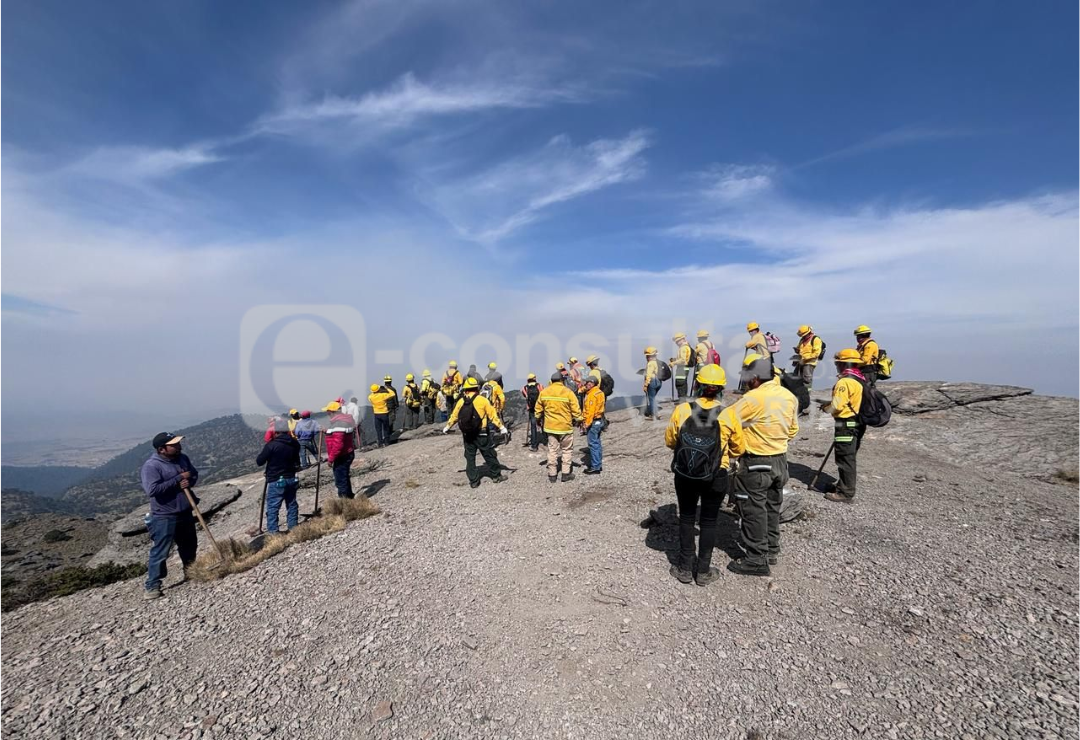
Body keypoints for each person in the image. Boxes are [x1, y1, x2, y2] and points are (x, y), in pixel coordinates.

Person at [665, 365, 745, 586]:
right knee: (709, 522)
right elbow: (739, 448)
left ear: (697, 384)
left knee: (687, 517)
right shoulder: (729, 414)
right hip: (716, 475)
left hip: (685, 474)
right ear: (721, 388)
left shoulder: (682, 410)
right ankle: (702, 571)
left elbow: (670, 441)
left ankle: (683, 568)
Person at [727, 354, 798, 576]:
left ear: (755, 377)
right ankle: (771, 550)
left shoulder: (752, 398)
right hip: (780, 461)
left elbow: (725, 421)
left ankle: (756, 559)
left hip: (756, 461)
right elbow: (793, 430)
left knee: (753, 510)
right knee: (771, 507)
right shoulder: (788, 396)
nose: (746, 381)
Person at [140, 432, 200, 600]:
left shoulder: (182, 458)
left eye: (178, 443)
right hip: (164, 515)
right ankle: (152, 585)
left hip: (185, 510)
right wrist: (178, 479)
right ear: (162, 449)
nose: (178, 447)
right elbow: (152, 490)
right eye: (173, 445)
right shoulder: (152, 466)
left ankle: (191, 572)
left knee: (189, 545)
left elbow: (193, 474)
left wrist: (190, 481)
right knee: (161, 551)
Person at [443, 377, 510, 488]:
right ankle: (496, 476)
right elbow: (492, 416)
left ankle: (474, 481)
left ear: (466, 390)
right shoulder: (483, 400)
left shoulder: (461, 401)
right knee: (489, 454)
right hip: (481, 433)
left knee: (470, 457)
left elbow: (454, 416)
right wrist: (502, 427)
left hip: (467, 434)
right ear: (476, 388)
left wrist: (447, 426)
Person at [820, 349, 867, 503]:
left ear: (843, 363)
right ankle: (842, 484)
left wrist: (826, 408)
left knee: (845, 457)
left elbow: (837, 406)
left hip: (845, 423)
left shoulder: (844, 381)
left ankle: (845, 493)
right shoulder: (860, 379)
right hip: (858, 422)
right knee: (849, 455)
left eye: (837, 363)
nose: (836, 365)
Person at [535, 371, 583, 482]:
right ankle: (565, 474)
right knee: (566, 450)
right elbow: (576, 410)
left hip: (550, 427)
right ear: (562, 380)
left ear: (552, 381)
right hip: (565, 427)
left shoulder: (544, 392)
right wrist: (579, 420)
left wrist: (538, 419)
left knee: (552, 450)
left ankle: (552, 475)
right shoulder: (568, 392)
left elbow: (538, 410)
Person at [256, 418, 301, 534]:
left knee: (273, 507)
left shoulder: (272, 445)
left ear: (276, 431)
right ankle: (294, 527)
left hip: (275, 479)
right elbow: (297, 460)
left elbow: (259, 461)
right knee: (291, 503)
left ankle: (273, 532)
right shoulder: (295, 443)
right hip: (291, 476)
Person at [322, 401, 356, 498]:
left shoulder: (339, 423)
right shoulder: (345, 419)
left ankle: (345, 501)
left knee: (340, 478)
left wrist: (331, 459)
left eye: (328, 412)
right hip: (347, 451)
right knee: (344, 475)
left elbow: (338, 444)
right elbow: (338, 434)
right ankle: (349, 496)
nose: (327, 414)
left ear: (331, 412)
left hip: (342, 454)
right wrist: (327, 431)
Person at [581, 374, 606, 475]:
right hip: (599, 420)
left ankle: (595, 467)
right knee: (597, 443)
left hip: (593, 421)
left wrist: (586, 423)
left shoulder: (592, 394)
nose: (586, 384)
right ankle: (598, 465)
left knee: (593, 444)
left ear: (592, 383)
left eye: (587, 383)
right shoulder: (599, 392)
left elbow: (590, 411)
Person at [794, 325, 824, 389]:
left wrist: (805, 357)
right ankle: (800, 392)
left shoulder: (816, 339)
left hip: (810, 362)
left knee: (807, 380)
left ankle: (807, 394)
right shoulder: (802, 340)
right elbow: (799, 348)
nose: (803, 336)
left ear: (808, 333)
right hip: (801, 361)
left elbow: (816, 353)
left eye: (804, 335)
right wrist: (797, 350)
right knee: (796, 377)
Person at [521, 373, 545, 451]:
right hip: (541, 408)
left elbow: (525, 396)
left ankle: (534, 445)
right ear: (535, 378)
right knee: (543, 423)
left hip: (531, 408)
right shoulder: (540, 386)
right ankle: (546, 441)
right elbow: (543, 395)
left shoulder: (524, 388)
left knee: (533, 426)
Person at [368, 383, 393, 447]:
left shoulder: (370, 397)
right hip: (384, 413)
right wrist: (385, 388)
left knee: (378, 429)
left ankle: (380, 443)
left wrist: (375, 391)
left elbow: (370, 396)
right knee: (386, 428)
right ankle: (387, 442)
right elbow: (392, 394)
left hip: (376, 414)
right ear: (378, 389)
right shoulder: (383, 395)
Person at [671, 333, 693, 401]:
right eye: (676, 341)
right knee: (683, 384)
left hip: (682, 368)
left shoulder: (683, 348)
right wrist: (674, 359)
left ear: (683, 339)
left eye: (678, 341)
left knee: (680, 384)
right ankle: (683, 399)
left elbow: (683, 360)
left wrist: (673, 363)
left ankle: (682, 401)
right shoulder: (686, 347)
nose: (676, 343)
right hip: (684, 368)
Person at [642, 346, 661, 420]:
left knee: (651, 398)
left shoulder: (650, 364)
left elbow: (649, 375)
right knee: (653, 398)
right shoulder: (656, 362)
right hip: (658, 381)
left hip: (652, 382)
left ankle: (654, 415)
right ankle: (655, 413)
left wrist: (645, 385)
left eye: (647, 356)